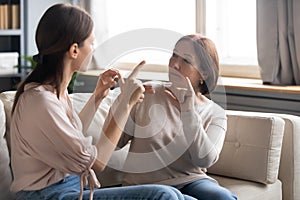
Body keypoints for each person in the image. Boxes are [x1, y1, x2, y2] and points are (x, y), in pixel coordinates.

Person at [9, 3, 190, 200]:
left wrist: (98, 96)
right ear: (74, 50)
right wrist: (125, 104)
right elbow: (96, 162)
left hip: (67, 186)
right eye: (92, 42)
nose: (94, 48)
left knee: (177, 195)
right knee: (163, 195)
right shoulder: (41, 101)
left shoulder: (53, 93)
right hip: (44, 195)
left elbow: (72, 135)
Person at [117, 34, 237, 200]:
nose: (174, 64)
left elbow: (205, 159)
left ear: (204, 74)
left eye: (186, 60)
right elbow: (115, 143)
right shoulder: (147, 93)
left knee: (222, 197)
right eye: (174, 55)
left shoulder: (215, 113)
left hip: (192, 181)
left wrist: (188, 112)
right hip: (146, 186)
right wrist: (123, 102)